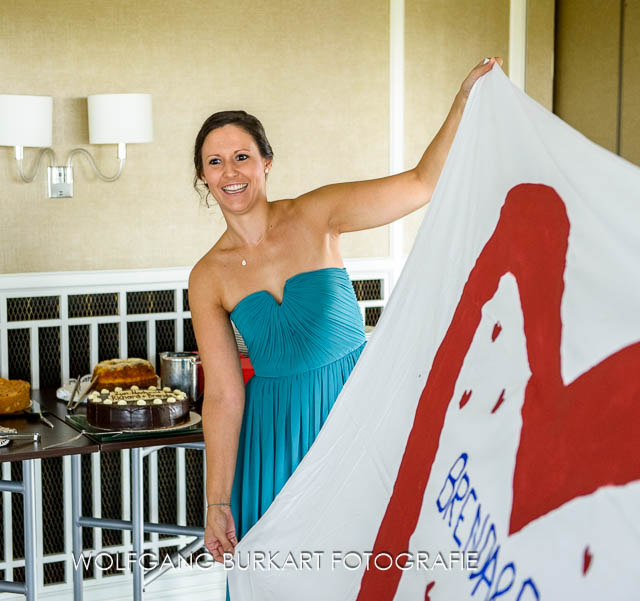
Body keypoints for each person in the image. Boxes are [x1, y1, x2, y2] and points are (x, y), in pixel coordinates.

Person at [189, 57, 502, 565]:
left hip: (356, 412)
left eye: (242, 156)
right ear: (203, 177)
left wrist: (464, 101)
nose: (231, 172)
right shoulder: (207, 276)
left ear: (266, 161)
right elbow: (223, 394)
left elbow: (422, 183)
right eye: (216, 162)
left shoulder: (318, 213)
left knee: (363, 568)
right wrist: (218, 500)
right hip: (274, 437)